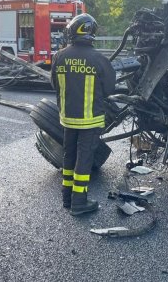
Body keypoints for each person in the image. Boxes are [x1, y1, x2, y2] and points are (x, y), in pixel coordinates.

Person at [50, 14, 115, 216]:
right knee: (84, 158)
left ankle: (67, 197)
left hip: (68, 118)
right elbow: (110, 89)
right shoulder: (98, 59)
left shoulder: (59, 56)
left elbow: (54, 84)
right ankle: (79, 202)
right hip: (90, 120)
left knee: (69, 156)